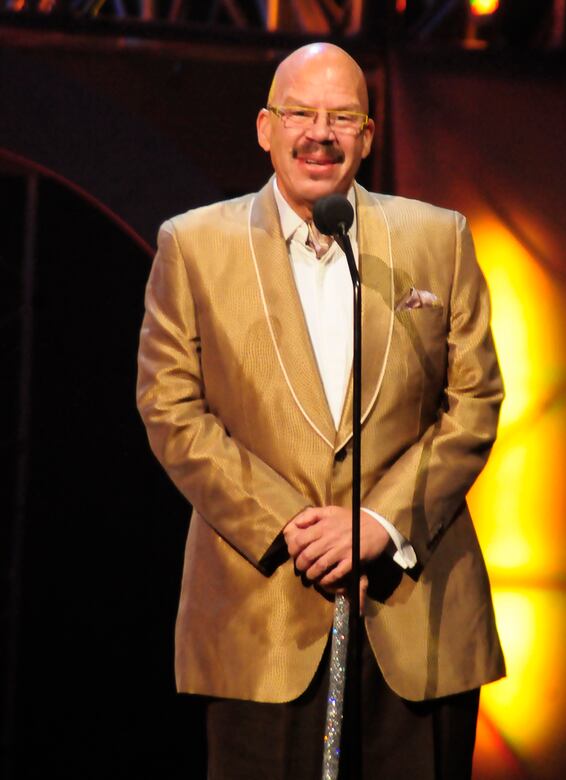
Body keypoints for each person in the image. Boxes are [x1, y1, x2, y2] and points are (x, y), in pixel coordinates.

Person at [136, 42, 505, 779]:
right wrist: (294, 529)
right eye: (300, 113)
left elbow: (474, 400)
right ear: (265, 127)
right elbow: (170, 406)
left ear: (368, 136)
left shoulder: (439, 238)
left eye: (342, 116)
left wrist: (376, 522)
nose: (319, 133)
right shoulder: (194, 245)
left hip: (419, 614)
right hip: (260, 614)